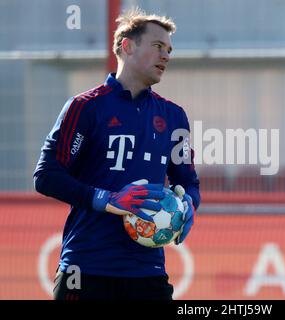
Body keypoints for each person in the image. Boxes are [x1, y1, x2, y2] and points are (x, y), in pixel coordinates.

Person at [33, 8, 200, 300]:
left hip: (147, 272)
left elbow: (189, 181)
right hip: (85, 268)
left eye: (169, 50)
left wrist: (188, 207)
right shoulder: (85, 107)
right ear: (127, 46)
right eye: (158, 46)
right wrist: (107, 200)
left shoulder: (174, 117)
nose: (166, 56)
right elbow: (46, 176)